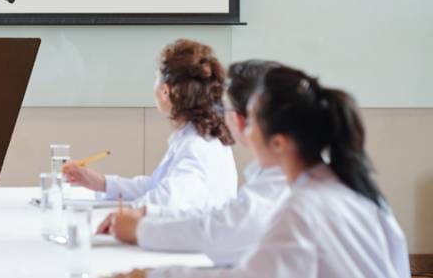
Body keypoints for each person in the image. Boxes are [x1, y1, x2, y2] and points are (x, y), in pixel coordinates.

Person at [122, 66, 410, 278]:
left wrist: (154, 274)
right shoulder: (349, 188)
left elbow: (245, 265)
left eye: (252, 121)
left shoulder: (303, 207)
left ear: (279, 143)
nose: (244, 129)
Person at [97, 60, 289, 267]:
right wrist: (149, 214)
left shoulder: (282, 183)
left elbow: (220, 230)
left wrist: (140, 229)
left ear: (239, 119)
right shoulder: (274, 173)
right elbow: (216, 215)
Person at [63, 39, 238, 212]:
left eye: (156, 78)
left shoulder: (195, 146)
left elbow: (166, 199)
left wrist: (125, 216)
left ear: (165, 92)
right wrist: (101, 183)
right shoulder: (199, 135)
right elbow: (156, 186)